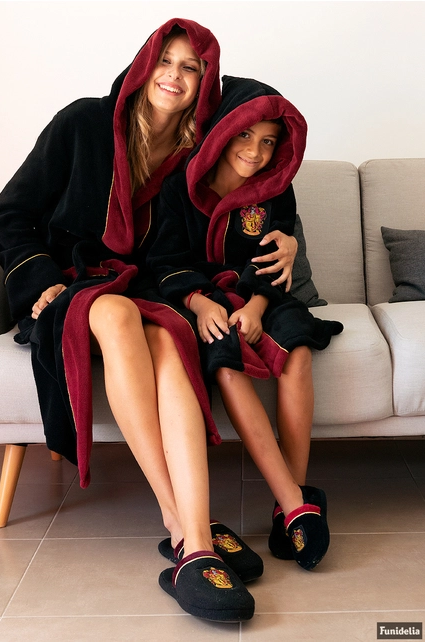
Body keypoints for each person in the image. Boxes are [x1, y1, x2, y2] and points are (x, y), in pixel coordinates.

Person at [0, 20, 307, 622]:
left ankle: (198, 533)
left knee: (171, 337)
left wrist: (289, 238)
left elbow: (260, 155)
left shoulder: (196, 149)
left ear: (205, 82)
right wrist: (39, 279)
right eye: (166, 61)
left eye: (191, 68)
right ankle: (179, 524)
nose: (174, 76)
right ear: (144, 64)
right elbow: (10, 212)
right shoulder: (82, 122)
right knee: (113, 313)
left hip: (144, 286)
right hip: (70, 284)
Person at [148, 75, 344, 573]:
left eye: (269, 142)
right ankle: (296, 502)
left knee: (298, 349)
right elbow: (163, 259)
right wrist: (198, 303)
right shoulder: (178, 185)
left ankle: (287, 507)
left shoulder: (275, 189)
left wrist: (257, 306)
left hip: (261, 295)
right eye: (245, 135)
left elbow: (273, 257)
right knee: (226, 357)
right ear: (222, 132)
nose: (256, 152)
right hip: (205, 299)